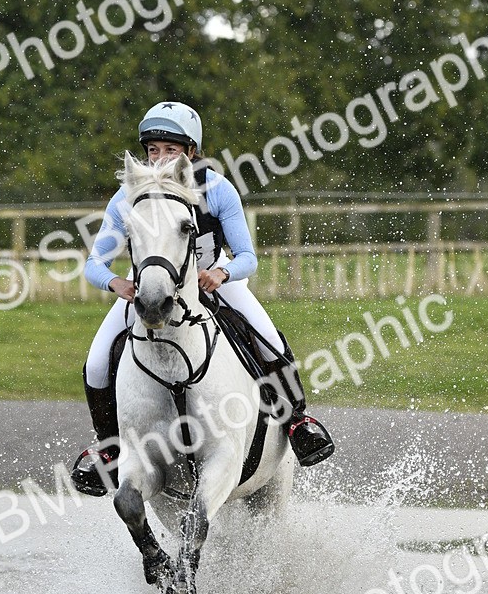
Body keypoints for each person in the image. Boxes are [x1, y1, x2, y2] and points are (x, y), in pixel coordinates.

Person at [71, 101, 335, 495]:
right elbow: (95, 262)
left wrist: (221, 273)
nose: (159, 158)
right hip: (151, 286)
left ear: (191, 151)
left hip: (213, 279)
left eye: (170, 150)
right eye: (153, 150)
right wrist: (116, 284)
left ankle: (297, 422)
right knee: (96, 361)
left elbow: (248, 257)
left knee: (270, 342)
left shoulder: (216, 190)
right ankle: (109, 451)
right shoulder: (128, 196)